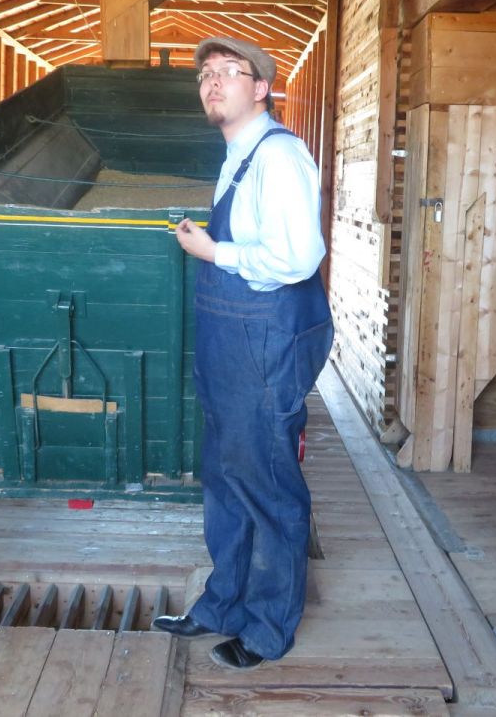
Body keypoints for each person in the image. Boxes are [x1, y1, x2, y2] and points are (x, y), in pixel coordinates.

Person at [153, 37, 333, 670]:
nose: (214, 81)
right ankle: (223, 604)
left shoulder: (279, 156)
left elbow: (298, 258)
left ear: (261, 89)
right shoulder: (238, 155)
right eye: (207, 72)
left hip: (263, 340)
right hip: (231, 341)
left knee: (267, 483)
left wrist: (213, 252)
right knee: (226, 477)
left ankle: (267, 629)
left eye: (231, 71)